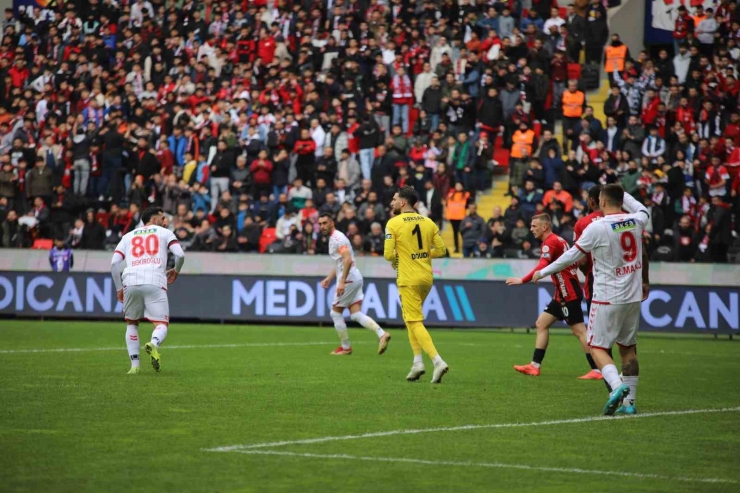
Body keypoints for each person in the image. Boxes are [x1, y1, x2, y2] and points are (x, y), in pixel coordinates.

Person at [534, 185, 649, 416]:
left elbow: (571, 256)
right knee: (628, 349)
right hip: (633, 297)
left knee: (597, 347)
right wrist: (622, 192)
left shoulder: (597, 227)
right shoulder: (637, 220)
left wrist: (542, 272)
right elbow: (642, 209)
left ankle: (617, 387)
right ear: (622, 200)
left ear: (601, 202)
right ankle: (630, 404)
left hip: (606, 296)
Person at [506, 213, 596, 379]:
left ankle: (597, 369)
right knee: (541, 323)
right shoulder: (558, 240)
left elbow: (543, 265)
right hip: (561, 294)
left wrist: (523, 279)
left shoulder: (550, 242)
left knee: (580, 332)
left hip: (568, 293)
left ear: (544, 226)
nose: (531, 229)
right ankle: (535, 365)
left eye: (534, 226)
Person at [384, 186, 449, 383]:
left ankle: (437, 361)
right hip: (426, 278)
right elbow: (441, 250)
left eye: (394, 199)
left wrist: (401, 255)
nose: (392, 202)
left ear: (403, 202)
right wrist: (420, 254)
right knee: (410, 319)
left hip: (408, 279)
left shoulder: (393, 223)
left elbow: (388, 254)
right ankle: (417, 362)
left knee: (414, 320)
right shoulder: (428, 222)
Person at [110, 207, 185, 375]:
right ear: (153, 220)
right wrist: (176, 270)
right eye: (162, 218)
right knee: (161, 324)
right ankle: (154, 343)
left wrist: (119, 288)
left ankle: (134, 366)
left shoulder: (128, 236)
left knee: (132, 323)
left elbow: (114, 264)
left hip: (131, 281)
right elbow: (180, 255)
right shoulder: (165, 233)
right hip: (154, 280)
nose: (165, 222)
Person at [318, 212, 391, 355]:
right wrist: (329, 278)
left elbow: (347, 259)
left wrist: (342, 282)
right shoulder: (335, 238)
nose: (322, 226)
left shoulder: (337, 239)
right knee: (355, 314)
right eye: (320, 224)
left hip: (349, 279)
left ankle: (345, 347)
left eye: (325, 223)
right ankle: (382, 334)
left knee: (335, 313)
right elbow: (340, 261)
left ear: (332, 222)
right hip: (355, 277)